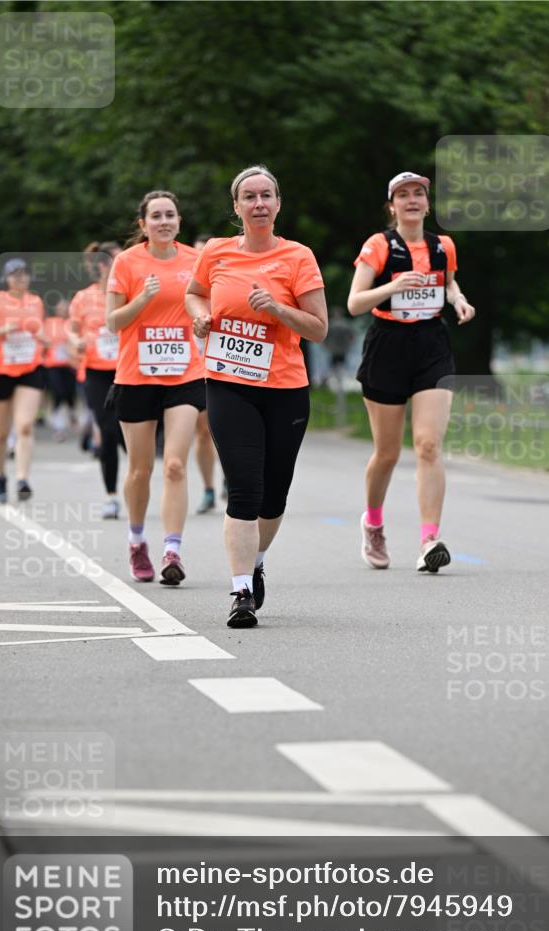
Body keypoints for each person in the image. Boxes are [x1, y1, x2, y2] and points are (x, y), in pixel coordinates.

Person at [186, 164, 327, 627]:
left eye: (266, 195)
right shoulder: (216, 252)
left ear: (278, 204)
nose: (259, 203)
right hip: (228, 384)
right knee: (244, 488)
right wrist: (200, 316)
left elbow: (319, 329)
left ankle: (258, 560)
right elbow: (194, 294)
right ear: (237, 206)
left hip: (285, 388)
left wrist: (278, 308)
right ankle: (241, 591)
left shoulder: (298, 257)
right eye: (250, 196)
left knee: (274, 495)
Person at [348, 171, 475, 573]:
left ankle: (428, 540)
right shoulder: (378, 246)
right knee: (387, 453)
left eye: (418, 193)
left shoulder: (443, 246)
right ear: (392, 206)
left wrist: (458, 299)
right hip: (387, 345)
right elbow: (355, 302)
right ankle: (373, 524)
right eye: (403, 195)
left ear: (427, 203)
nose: (412, 200)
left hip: (431, 345)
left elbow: (448, 284)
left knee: (428, 445)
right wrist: (393, 286)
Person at [106, 191, 205, 584]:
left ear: (179, 221)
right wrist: (142, 300)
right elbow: (113, 322)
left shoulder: (195, 261)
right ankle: (136, 541)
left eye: (170, 215)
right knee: (140, 469)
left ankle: (172, 550)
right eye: (156, 216)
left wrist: (205, 320)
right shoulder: (127, 262)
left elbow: (206, 305)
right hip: (137, 376)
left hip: (184, 374)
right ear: (143, 224)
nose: (164, 222)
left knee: (175, 465)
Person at [0, 258, 46, 502]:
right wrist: (2, 330)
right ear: (6, 279)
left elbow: (40, 332)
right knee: (1, 432)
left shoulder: (35, 302)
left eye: (24, 274)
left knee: (24, 425)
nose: (20, 278)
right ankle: (1, 475)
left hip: (29, 368)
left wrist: (42, 337)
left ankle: (22, 478)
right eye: (15, 274)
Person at [69, 240, 124, 518]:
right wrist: (75, 341)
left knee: (130, 433)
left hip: (128, 370)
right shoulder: (83, 298)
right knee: (108, 431)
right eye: (117, 260)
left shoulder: (130, 294)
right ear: (103, 265)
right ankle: (111, 496)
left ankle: (138, 483)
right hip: (96, 373)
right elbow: (71, 330)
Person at [191, 233, 219, 513]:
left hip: (225, 368)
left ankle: (232, 477)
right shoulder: (190, 290)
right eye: (196, 253)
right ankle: (209, 488)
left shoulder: (228, 283)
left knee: (229, 430)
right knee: (203, 432)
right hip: (194, 369)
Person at [43, 296, 77, 441]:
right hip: (53, 365)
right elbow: (43, 342)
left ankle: (72, 413)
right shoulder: (49, 323)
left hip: (70, 365)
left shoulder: (73, 323)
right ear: (56, 309)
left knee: (70, 393)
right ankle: (59, 426)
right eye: (60, 308)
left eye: (66, 308)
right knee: (58, 392)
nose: (63, 310)